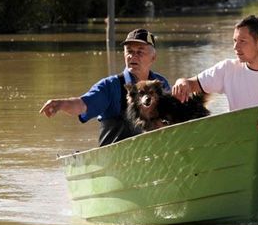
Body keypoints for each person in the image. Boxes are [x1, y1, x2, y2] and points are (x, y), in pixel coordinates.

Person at [40, 28, 170, 146]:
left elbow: (174, 117)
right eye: (129, 51)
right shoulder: (110, 86)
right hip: (117, 159)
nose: (132, 56)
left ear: (153, 57)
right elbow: (82, 105)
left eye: (140, 52)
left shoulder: (161, 84)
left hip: (152, 153)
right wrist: (61, 104)